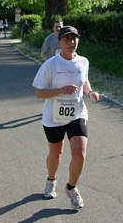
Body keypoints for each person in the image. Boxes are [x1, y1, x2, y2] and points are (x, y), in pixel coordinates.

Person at [32, 25, 100, 210]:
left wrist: (90, 92)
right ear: (60, 42)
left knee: (80, 153)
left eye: (74, 38)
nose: (71, 42)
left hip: (77, 114)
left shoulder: (83, 61)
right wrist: (60, 90)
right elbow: (39, 93)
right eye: (67, 39)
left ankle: (71, 188)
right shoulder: (50, 65)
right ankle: (51, 179)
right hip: (53, 116)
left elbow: (84, 79)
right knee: (56, 153)